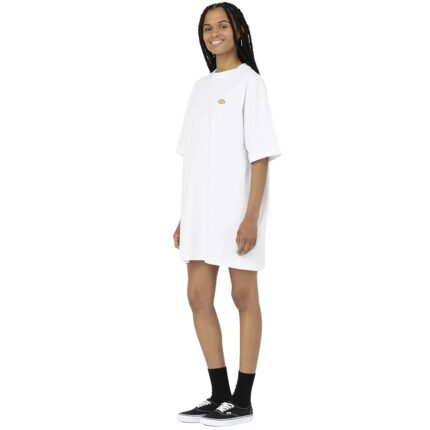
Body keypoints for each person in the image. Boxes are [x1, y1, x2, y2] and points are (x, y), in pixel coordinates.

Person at [173, 2, 281, 426]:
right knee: (198, 297)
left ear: (238, 31)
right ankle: (218, 394)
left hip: (237, 212)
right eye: (207, 28)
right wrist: (184, 216)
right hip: (199, 212)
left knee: (243, 296)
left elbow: (260, 156)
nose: (214, 33)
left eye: (222, 26)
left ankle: (243, 399)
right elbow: (194, 159)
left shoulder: (251, 83)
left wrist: (251, 216)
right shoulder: (199, 88)